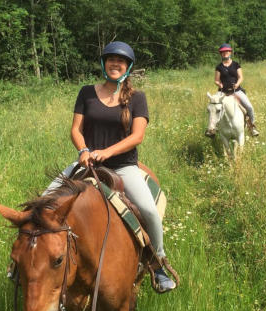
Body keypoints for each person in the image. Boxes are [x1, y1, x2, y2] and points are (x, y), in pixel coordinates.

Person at [46, 41, 176, 293]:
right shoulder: (86, 92)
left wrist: (106, 152)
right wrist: (83, 150)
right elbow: (76, 129)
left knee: (148, 210)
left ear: (127, 67)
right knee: (46, 201)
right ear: (104, 64)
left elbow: (137, 136)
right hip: (87, 162)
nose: (115, 63)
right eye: (111, 59)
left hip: (124, 167)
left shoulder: (137, 98)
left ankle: (158, 262)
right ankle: (24, 263)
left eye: (121, 60)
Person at [213, 43, 259, 136]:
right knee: (213, 107)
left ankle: (252, 127)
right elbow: (216, 80)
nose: (225, 53)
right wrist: (219, 84)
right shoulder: (219, 67)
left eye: (227, 51)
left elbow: (241, 77)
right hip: (223, 92)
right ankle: (213, 128)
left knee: (249, 107)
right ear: (220, 54)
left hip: (236, 91)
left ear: (230, 52)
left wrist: (237, 84)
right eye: (223, 52)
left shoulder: (236, 64)